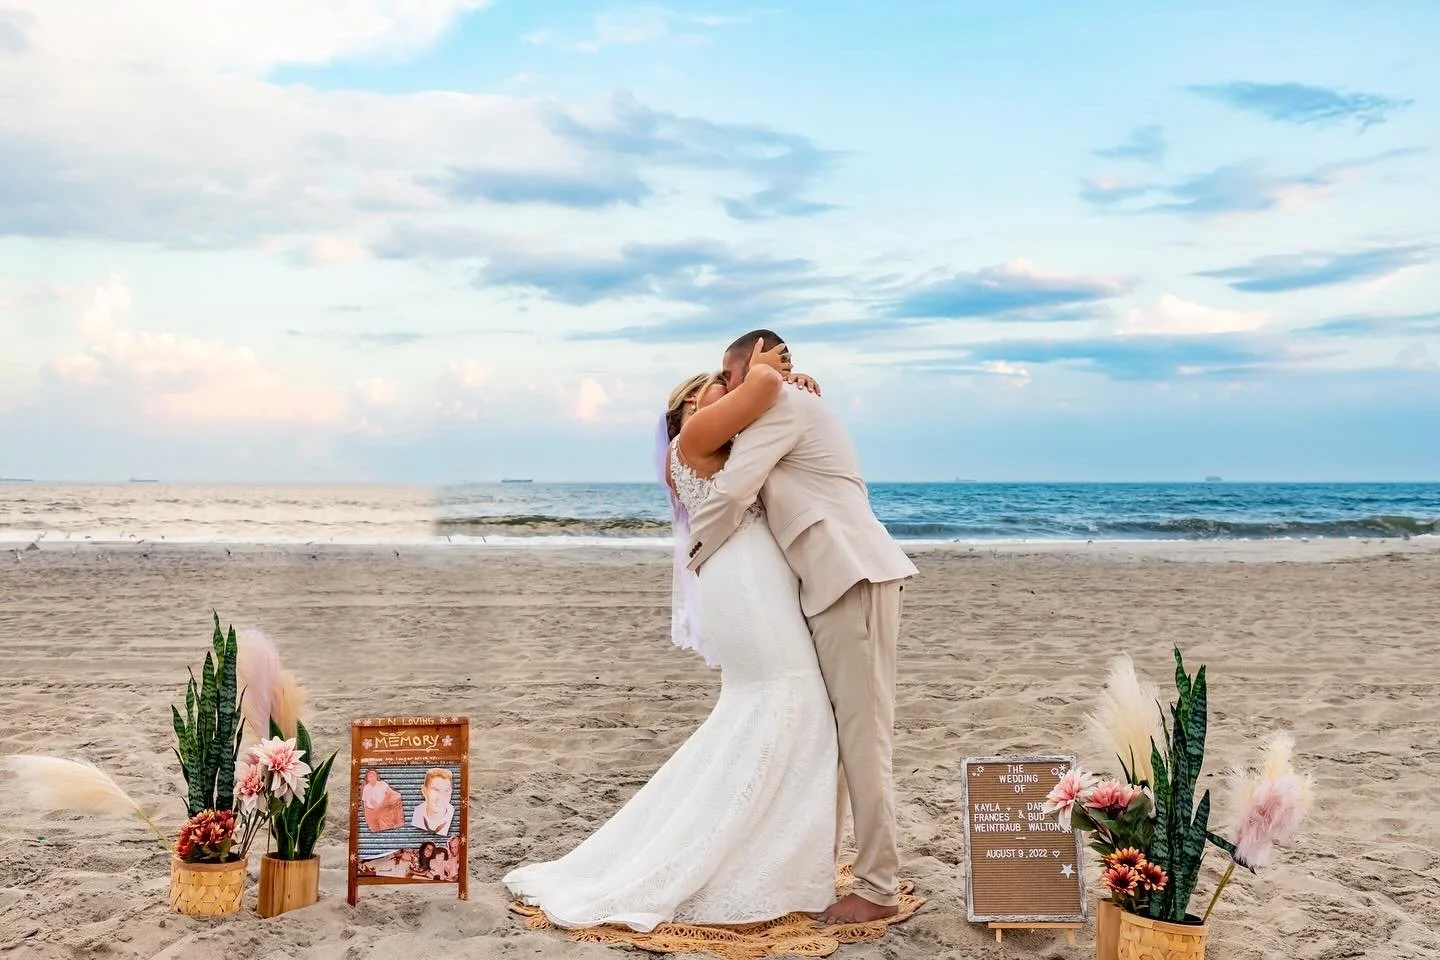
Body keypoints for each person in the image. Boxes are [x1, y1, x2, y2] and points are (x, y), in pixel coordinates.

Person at [502, 341, 838, 931]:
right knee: (790, 700)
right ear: (687, 409)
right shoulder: (693, 444)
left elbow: (768, 407)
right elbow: (761, 390)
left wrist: (793, 383)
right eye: (714, 394)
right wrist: (773, 371)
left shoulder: (728, 444)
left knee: (770, 708)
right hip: (745, 583)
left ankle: (762, 856)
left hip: (749, 580)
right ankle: (752, 863)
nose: (726, 399)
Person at [685, 329, 917, 925]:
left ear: (746, 370)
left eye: (725, 381)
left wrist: (697, 550)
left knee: (864, 743)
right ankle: (848, 871)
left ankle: (878, 889)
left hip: (851, 576)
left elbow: (737, 487)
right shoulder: (793, 400)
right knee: (842, 738)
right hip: (833, 582)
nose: (723, 397)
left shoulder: (781, 404)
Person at [411, 768, 455, 835]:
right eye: (435, 790)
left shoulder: (456, 817)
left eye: (446, 791)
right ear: (424, 791)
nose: (441, 797)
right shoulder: (415, 815)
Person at [360, 768, 405, 833]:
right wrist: (367, 815)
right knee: (375, 830)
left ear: (376, 777)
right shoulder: (366, 788)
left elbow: (390, 793)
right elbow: (365, 802)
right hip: (372, 812)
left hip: (383, 810)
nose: (372, 778)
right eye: (370, 776)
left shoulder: (382, 784)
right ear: (367, 779)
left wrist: (382, 804)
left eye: (373, 776)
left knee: (385, 828)